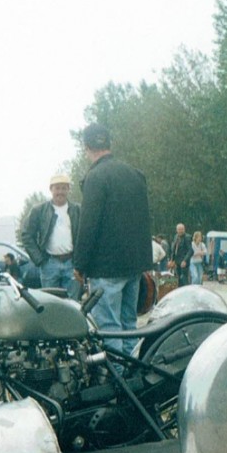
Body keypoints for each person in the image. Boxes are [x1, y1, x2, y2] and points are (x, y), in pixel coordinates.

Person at [73, 124, 152, 353]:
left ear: (86, 147)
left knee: (108, 326)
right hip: (134, 265)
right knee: (129, 324)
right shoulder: (136, 175)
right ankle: (131, 374)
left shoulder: (95, 177)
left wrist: (80, 264)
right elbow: (144, 219)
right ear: (109, 144)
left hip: (106, 267)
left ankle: (116, 380)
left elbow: (88, 225)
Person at [19, 174, 81, 299]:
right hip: (49, 264)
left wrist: (81, 262)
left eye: (64, 188)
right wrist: (39, 260)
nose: (60, 192)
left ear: (68, 189)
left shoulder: (78, 210)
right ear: (51, 189)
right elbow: (26, 234)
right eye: (57, 188)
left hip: (72, 264)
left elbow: (85, 236)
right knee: (51, 304)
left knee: (73, 305)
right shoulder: (39, 210)